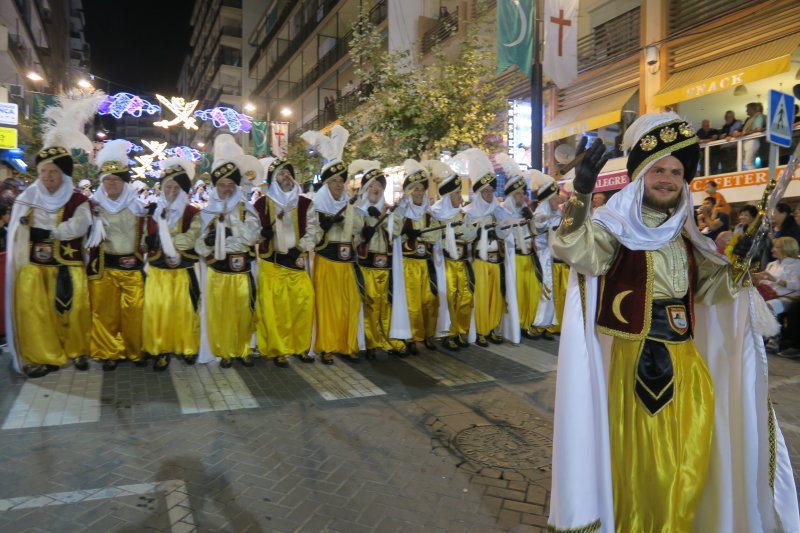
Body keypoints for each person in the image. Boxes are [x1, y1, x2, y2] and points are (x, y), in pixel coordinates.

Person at [547, 112, 800, 532]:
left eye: (676, 171)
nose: (667, 179)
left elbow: (711, 292)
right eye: (657, 169)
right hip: (633, 371)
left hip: (688, 369)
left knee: (691, 468)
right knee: (646, 474)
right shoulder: (614, 229)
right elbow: (575, 248)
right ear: (640, 174)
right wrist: (582, 191)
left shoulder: (687, 238)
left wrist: (740, 263)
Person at [4, 93, 101, 378]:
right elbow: (17, 231)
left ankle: (78, 351)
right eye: (44, 171)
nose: (47, 177)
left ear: (64, 174)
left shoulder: (77, 200)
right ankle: (42, 356)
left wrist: (49, 231)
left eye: (53, 172)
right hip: (34, 268)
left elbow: (79, 227)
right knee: (36, 313)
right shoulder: (26, 197)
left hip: (69, 264)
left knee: (76, 309)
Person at [196, 134, 262, 368]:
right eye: (222, 185)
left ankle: (243, 349)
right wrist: (211, 243)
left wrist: (231, 232)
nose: (226, 189)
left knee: (243, 311)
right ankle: (224, 351)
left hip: (242, 269)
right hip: (217, 271)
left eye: (230, 185)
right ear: (216, 186)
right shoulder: (206, 213)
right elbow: (198, 245)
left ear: (236, 186)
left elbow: (253, 236)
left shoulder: (247, 209)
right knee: (220, 313)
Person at [301, 126, 363, 364]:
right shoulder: (316, 206)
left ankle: (347, 344)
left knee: (349, 304)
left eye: (341, 181)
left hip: (347, 265)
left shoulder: (349, 206)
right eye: (334, 181)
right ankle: (327, 346)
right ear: (326, 183)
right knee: (328, 307)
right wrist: (324, 225)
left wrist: (362, 226)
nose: (338, 185)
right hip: (326, 263)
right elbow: (311, 238)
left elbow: (358, 230)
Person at [86, 139, 147, 371]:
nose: (111, 183)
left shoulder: (137, 207)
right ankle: (109, 352)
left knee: (134, 312)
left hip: (132, 268)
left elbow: (144, 237)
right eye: (107, 180)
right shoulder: (93, 207)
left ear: (124, 182)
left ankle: (134, 350)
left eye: (116, 180)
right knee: (105, 313)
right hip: (105, 267)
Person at [253, 156, 318, 367]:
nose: (286, 176)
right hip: (272, 265)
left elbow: (314, 230)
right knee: (276, 311)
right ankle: (279, 350)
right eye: (281, 173)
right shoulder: (262, 204)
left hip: (296, 263)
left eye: (288, 172)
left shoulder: (306, 203)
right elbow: (252, 234)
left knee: (303, 305)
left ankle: (300, 347)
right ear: (273, 179)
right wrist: (261, 234)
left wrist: (301, 247)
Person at [141, 157, 202, 371]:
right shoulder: (152, 212)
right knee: (159, 311)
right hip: (158, 271)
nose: (172, 191)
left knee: (185, 311)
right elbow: (142, 241)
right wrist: (148, 242)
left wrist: (163, 238)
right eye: (168, 186)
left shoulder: (193, 213)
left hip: (183, 271)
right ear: (162, 187)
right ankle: (161, 350)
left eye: (177, 187)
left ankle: (188, 347)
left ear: (184, 189)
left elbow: (190, 239)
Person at [351, 159, 407, 359]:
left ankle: (387, 338)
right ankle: (371, 342)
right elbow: (353, 237)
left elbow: (397, 230)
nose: (376, 189)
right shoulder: (357, 212)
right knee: (370, 304)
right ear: (365, 189)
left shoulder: (390, 211)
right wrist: (364, 230)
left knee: (387, 303)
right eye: (372, 186)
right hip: (366, 266)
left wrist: (383, 221)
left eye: (379, 186)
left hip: (387, 267)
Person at [454, 148, 509, 347]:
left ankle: (493, 328)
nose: (488, 194)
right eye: (484, 191)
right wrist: (479, 225)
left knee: (496, 296)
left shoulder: (499, 211)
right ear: (478, 193)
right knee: (481, 297)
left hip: (497, 261)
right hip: (479, 262)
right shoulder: (468, 212)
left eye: (490, 191)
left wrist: (501, 224)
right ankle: (481, 330)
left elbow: (506, 234)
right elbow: (466, 237)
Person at [427, 160, 476, 351]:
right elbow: (431, 237)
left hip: (462, 263)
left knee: (464, 298)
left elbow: (471, 235)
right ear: (448, 195)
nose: (460, 197)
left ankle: (460, 331)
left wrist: (464, 228)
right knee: (448, 298)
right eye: (456, 193)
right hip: (444, 263)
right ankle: (448, 333)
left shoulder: (463, 214)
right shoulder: (436, 214)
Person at [392, 159, 439, 353]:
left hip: (426, 264)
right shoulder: (402, 213)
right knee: (411, 302)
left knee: (429, 301)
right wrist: (406, 233)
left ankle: (427, 335)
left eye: (421, 189)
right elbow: (393, 232)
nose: (419, 192)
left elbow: (435, 235)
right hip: (408, 264)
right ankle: (410, 338)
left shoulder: (429, 214)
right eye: (415, 189)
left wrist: (422, 235)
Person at [497, 154, 540, 340]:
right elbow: (503, 233)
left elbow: (535, 232)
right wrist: (515, 222)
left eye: (523, 194)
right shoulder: (503, 211)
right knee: (517, 293)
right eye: (518, 194)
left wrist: (529, 219)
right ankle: (517, 324)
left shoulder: (526, 211)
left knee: (531, 291)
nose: (522, 197)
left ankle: (528, 323)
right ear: (511, 195)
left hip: (528, 257)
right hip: (513, 257)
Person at [529, 170, 566, 339]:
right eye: (553, 197)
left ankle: (551, 324)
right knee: (547, 289)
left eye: (556, 197)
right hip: (544, 257)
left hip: (556, 258)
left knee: (555, 290)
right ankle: (539, 324)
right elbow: (538, 224)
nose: (557, 199)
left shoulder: (559, 212)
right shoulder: (540, 213)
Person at [753, 237, 800, 353]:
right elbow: (765, 281)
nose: (772, 250)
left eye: (776, 247)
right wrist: (758, 279)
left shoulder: (797, 264)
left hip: (787, 298)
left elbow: (797, 285)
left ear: (787, 248)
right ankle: (756, 335)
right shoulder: (771, 264)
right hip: (769, 295)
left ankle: (774, 338)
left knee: (769, 306)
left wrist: (775, 279)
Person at [733, 102, 765, 170]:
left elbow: (757, 129)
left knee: (748, 162)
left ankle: (752, 177)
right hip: (747, 141)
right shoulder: (750, 118)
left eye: (748, 109)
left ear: (752, 109)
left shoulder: (758, 116)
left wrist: (742, 133)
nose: (746, 111)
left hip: (752, 141)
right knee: (742, 162)